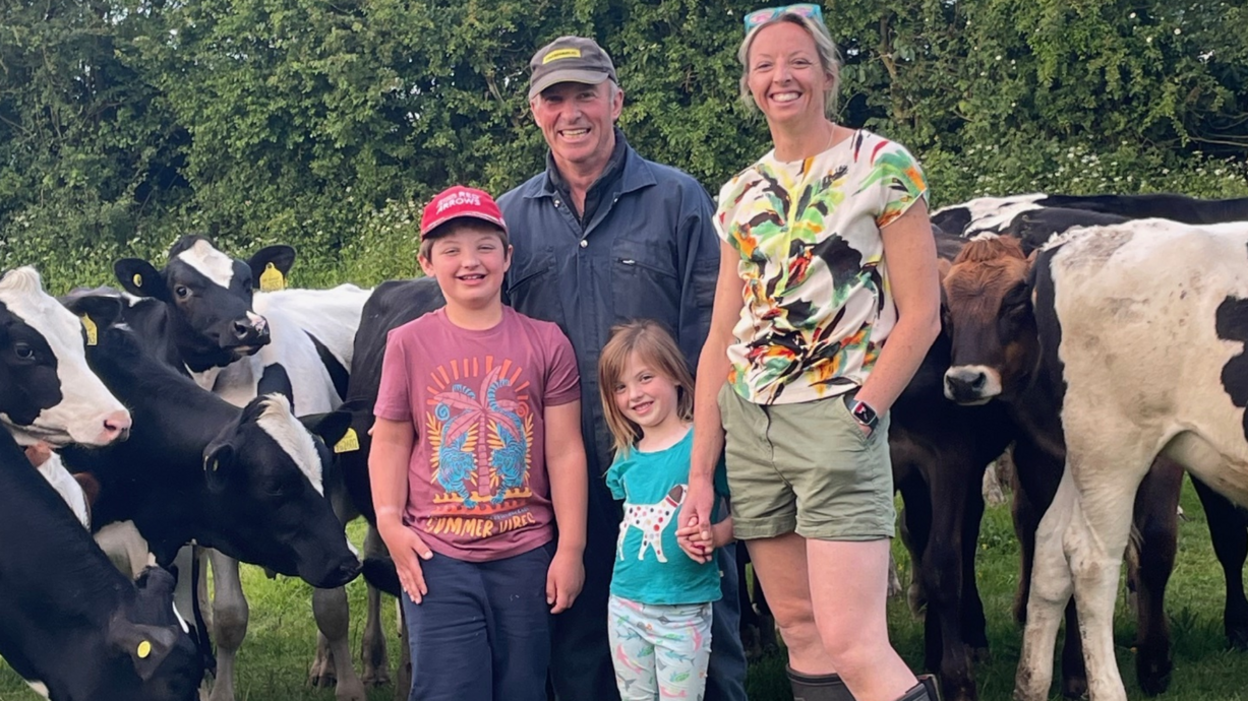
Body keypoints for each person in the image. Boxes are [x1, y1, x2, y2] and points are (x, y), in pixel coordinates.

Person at [678, 5, 943, 701]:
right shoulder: (739, 194)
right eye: (764, 65)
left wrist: (863, 411)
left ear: (827, 72)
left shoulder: (882, 166)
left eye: (797, 60)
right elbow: (719, 339)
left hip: (835, 415)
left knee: (855, 640)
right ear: (749, 85)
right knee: (801, 627)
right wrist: (702, 471)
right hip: (752, 424)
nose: (780, 76)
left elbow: (923, 315)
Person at [497, 35, 749, 701]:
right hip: (562, 467)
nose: (571, 112)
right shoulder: (509, 218)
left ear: (616, 100)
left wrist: (703, 465)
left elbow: (713, 334)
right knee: (578, 634)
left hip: (669, 465)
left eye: (586, 94)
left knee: (701, 625)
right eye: (555, 98)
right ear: (534, 111)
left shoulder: (678, 198)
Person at [369, 185, 588, 701]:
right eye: (451, 250)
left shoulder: (546, 341)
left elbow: (564, 450)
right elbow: (393, 439)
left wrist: (571, 549)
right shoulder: (407, 342)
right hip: (437, 560)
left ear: (508, 258)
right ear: (427, 262)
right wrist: (387, 523)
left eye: (485, 246)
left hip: (527, 555)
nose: (470, 261)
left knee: (524, 688)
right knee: (447, 689)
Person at [598, 320, 733, 701]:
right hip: (624, 604)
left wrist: (717, 534)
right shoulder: (626, 455)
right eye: (621, 387)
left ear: (675, 375)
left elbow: (748, 513)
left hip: (683, 609)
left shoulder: (702, 447)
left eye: (645, 378)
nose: (634, 394)